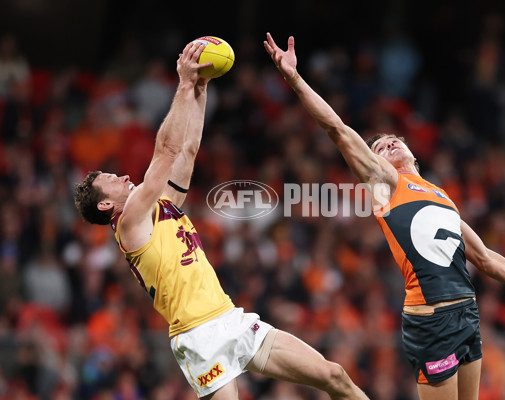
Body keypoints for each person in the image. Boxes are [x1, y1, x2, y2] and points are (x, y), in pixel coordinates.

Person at [263, 32, 505, 400]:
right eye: (378, 146)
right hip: (431, 320)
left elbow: (483, 257)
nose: (386, 142)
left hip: (467, 313)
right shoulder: (385, 183)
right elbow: (337, 128)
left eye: (392, 139)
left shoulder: (440, 195)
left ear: (413, 155)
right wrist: (294, 79)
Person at [74, 41, 369, 400]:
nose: (121, 177)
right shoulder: (129, 221)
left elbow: (187, 149)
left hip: (230, 318)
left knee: (334, 375)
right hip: (198, 337)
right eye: (111, 179)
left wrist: (202, 86)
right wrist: (183, 83)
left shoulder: (162, 206)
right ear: (106, 206)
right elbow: (166, 151)